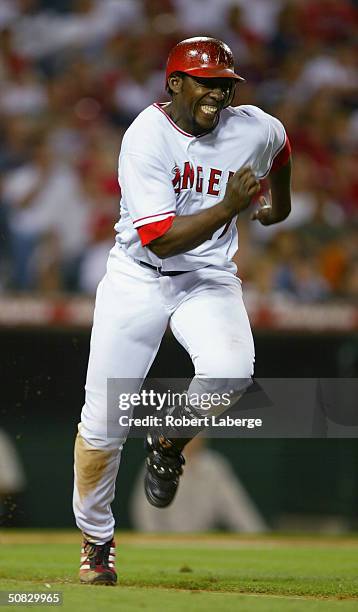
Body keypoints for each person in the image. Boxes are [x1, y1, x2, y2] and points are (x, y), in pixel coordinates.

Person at [73, 36, 292, 585]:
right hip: (139, 277)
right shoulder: (145, 136)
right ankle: (98, 543)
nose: (218, 92)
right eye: (206, 82)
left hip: (207, 278)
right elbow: (161, 241)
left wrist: (275, 208)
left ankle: (169, 442)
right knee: (102, 426)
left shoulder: (254, 127)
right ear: (175, 84)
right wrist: (232, 206)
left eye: (225, 83)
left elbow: (281, 148)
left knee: (230, 372)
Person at [131, 437, 269, 533]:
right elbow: (144, 513)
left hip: (202, 544)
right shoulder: (158, 463)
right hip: (165, 543)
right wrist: (156, 544)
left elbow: (238, 509)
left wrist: (261, 538)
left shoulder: (214, 466)